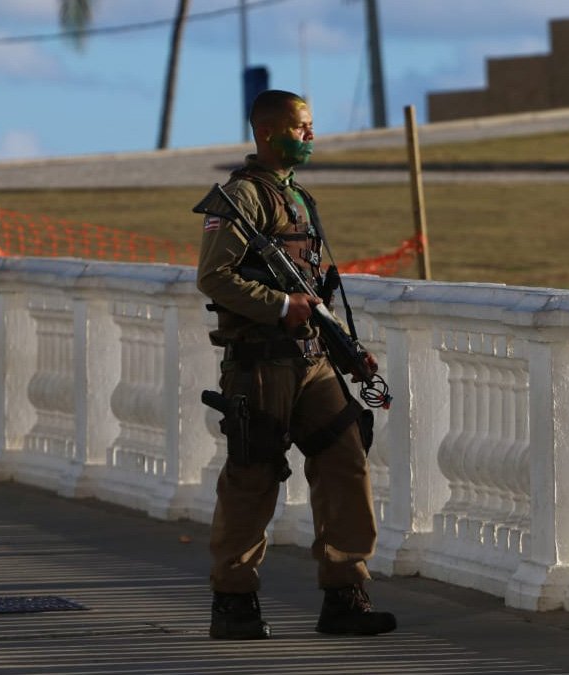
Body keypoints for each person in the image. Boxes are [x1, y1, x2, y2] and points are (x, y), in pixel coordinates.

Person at [196, 89, 396, 640]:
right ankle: (233, 603)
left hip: (312, 361)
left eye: (310, 126)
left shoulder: (298, 198)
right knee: (253, 476)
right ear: (266, 132)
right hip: (260, 366)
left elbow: (313, 288)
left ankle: (345, 595)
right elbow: (214, 277)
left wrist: (345, 348)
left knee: (345, 461)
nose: (309, 135)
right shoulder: (240, 198)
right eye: (299, 127)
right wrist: (280, 306)